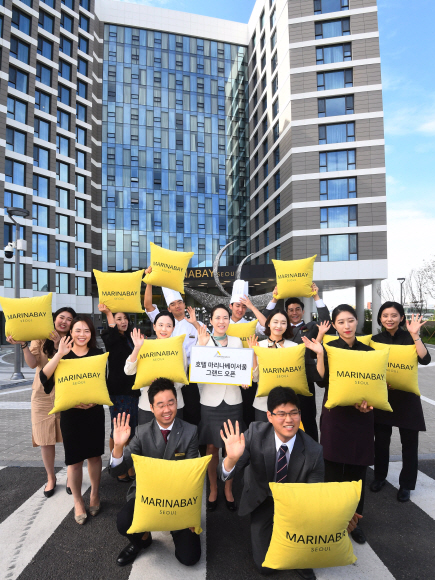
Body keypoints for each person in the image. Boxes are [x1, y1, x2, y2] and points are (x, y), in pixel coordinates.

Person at [220, 387, 360, 580]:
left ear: (300, 415)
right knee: (265, 566)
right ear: (269, 416)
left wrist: (338, 515)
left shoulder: (313, 451)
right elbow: (227, 475)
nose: (289, 420)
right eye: (282, 414)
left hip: (297, 507)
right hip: (264, 501)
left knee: (302, 559)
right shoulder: (254, 433)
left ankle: (298, 557)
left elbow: (314, 497)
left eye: (294, 413)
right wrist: (232, 459)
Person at [109, 378, 201, 568]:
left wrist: (191, 514)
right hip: (146, 497)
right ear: (151, 408)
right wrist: (118, 446)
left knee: (190, 558)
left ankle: (175, 529)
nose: (167, 410)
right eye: (160, 405)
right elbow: (117, 469)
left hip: (178, 499)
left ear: (177, 403)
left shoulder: (190, 431)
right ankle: (142, 539)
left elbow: (192, 477)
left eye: (171, 403)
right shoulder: (141, 432)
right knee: (123, 522)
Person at [302, 304, 374, 545]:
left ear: (357, 322)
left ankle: (355, 521)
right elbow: (321, 382)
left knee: (357, 472)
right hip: (335, 417)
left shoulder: (368, 350)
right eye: (341, 322)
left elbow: (373, 382)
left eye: (350, 321)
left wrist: (368, 403)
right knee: (332, 469)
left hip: (361, 417)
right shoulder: (329, 348)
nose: (347, 326)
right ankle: (333, 519)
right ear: (333, 325)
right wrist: (320, 354)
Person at [40, 315, 105, 525]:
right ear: (70, 333)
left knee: (95, 457)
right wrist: (59, 353)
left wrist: (94, 401)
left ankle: (94, 494)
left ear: (91, 334)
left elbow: (103, 384)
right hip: (71, 415)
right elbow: (44, 378)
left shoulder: (97, 354)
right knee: (74, 461)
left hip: (94, 413)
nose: (82, 335)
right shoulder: (63, 355)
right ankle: (77, 501)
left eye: (86, 331)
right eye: (77, 330)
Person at [6, 307, 76, 498]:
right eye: (61, 317)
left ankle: (71, 475)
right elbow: (32, 363)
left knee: (69, 436)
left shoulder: (73, 338)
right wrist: (22, 345)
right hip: (41, 395)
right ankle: (51, 477)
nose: (64, 321)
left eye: (69, 319)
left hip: (66, 392)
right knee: (45, 439)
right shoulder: (39, 337)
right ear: (54, 319)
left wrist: (59, 346)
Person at [370, 304, 431, 502]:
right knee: (380, 442)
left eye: (394, 315)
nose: (389, 319)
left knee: (409, 444)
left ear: (401, 317)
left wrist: (415, 335)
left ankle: (406, 485)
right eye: (385, 315)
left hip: (407, 399)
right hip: (383, 397)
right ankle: (379, 477)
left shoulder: (409, 338)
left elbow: (425, 359)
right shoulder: (375, 341)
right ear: (380, 319)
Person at [265, 283, 332, 442]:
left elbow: (325, 320)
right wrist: (274, 298)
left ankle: (313, 452)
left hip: (305, 380)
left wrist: (316, 296)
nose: (294, 312)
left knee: (308, 419)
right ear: (286, 313)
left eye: (297, 309)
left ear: (302, 311)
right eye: (290, 310)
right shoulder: (280, 329)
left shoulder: (311, 327)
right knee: (285, 419)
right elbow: (264, 321)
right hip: (283, 380)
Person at [196, 304, 247, 512]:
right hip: (210, 401)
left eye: (225, 317)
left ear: (229, 320)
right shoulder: (204, 341)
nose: (221, 321)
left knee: (231, 448)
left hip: (233, 401)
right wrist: (200, 347)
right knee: (211, 448)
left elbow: (243, 369)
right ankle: (214, 488)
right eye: (217, 318)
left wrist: (245, 378)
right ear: (211, 320)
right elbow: (197, 372)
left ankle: (228, 488)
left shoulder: (237, 342)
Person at [248, 310, 330, 423]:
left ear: (287, 325)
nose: (279, 326)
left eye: (283, 322)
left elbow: (312, 375)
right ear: (268, 324)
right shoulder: (258, 346)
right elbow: (256, 378)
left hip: (289, 407)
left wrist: (320, 353)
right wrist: (253, 354)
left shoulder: (294, 347)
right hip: (263, 405)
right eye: (275, 322)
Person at [144, 267, 201, 426]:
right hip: (166, 370)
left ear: (184, 304)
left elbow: (207, 341)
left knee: (192, 412)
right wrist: (149, 280)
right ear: (168, 308)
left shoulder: (195, 323)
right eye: (173, 304)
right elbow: (148, 305)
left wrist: (195, 323)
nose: (178, 306)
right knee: (168, 410)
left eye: (180, 302)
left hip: (189, 373)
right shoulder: (165, 321)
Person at [99, 304, 139, 483]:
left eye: (125, 318)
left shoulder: (131, 338)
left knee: (131, 429)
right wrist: (108, 313)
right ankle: (117, 466)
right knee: (118, 429)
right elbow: (112, 334)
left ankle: (128, 464)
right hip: (117, 390)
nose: (123, 322)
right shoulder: (109, 336)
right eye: (119, 319)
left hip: (133, 389)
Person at [124, 312, 187, 424]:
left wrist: (171, 384)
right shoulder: (144, 345)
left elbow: (183, 375)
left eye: (168, 326)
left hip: (173, 405)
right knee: (147, 440)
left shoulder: (178, 347)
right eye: (160, 325)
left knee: (175, 440)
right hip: (148, 405)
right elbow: (128, 371)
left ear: (173, 328)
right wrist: (137, 348)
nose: (164, 329)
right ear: (154, 326)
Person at [228, 280, 273, 428]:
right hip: (228, 374)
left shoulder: (251, 324)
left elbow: (267, 327)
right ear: (231, 306)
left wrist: (252, 307)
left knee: (247, 414)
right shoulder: (223, 324)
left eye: (243, 306)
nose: (240, 309)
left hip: (249, 375)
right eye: (237, 306)